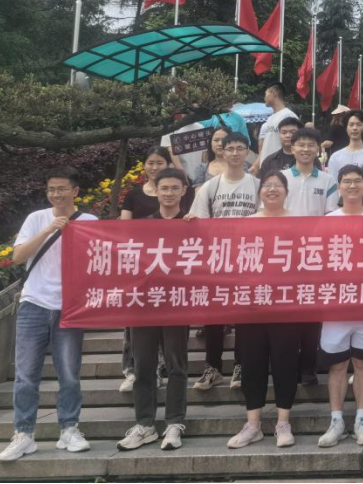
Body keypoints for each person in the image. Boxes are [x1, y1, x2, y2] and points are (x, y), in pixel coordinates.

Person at [0, 168, 98, 463]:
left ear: (75, 191)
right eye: (51, 189)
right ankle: (24, 434)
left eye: (61, 188)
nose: (55, 194)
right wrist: (48, 230)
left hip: (70, 306)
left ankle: (69, 428)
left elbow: (100, 260)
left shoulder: (90, 222)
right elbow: (17, 257)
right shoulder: (36, 219)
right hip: (34, 304)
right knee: (26, 375)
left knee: (69, 373)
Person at [117, 168, 192, 451]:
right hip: (144, 305)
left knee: (176, 366)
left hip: (177, 304)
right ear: (156, 191)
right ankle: (145, 424)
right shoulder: (141, 226)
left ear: (183, 191)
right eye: (164, 188)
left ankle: (174, 422)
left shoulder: (192, 225)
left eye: (174, 188)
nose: (169, 193)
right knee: (143, 366)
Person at [227, 171, 301, 449]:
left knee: (285, 363)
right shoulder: (247, 223)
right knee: (252, 365)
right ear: (259, 192)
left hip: (286, 306)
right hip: (252, 306)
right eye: (267, 185)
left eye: (277, 185)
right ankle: (253, 424)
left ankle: (283, 423)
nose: (272, 190)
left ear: (286, 191)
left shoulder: (298, 222)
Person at [317, 166, 363, 448]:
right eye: (347, 181)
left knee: (362, 363)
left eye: (357, 181)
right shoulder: (327, 221)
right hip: (336, 305)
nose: (352, 186)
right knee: (337, 363)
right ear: (339, 187)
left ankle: (361, 420)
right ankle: (336, 421)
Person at [189, 132, 260, 392]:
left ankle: (240, 364)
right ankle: (213, 367)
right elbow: (200, 223)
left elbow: (266, 220)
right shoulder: (211, 186)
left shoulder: (257, 185)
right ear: (222, 150)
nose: (235, 153)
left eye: (240, 148)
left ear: (247, 152)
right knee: (214, 316)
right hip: (217, 260)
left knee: (243, 315)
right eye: (230, 148)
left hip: (248, 259)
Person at [281, 128, 338, 385]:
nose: (305, 149)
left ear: (318, 149)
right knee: (289, 312)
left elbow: (331, 217)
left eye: (310, 145)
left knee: (313, 312)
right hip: (285, 255)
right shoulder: (280, 178)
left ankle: (308, 367)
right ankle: (288, 365)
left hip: (316, 255)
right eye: (301, 145)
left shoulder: (328, 180)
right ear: (292, 148)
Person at [254, 82, 299, 172]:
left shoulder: (288, 115)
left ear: (273, 93)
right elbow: (267, 144)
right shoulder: (271, 118)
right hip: (267, 166)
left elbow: (295, 144)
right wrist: (256, 164)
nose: (264, 98)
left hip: (280, 167)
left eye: (265, 94)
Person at [327, 110, 363, 178]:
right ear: (346, 128)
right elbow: (333, 182)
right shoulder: (336, 157)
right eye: (351, 125)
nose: (354, 128)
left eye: (359, 125)